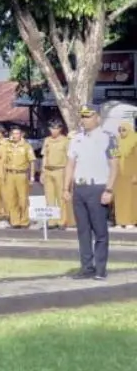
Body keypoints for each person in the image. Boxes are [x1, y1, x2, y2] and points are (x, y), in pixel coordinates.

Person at [65, 106, 121, 280]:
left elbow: (114, 165)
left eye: (88, 116)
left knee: (100, 231)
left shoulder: (108, 138)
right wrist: (65, 188)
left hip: (98, 188)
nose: (85, 120)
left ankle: (100, 269)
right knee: (83, 231)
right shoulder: (76, 139)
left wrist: (109, 189)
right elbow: (70, 164)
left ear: (98, 118)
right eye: (83, 117)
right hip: (80, 189)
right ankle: (86, 267)